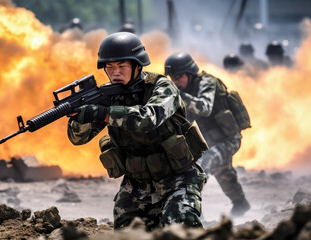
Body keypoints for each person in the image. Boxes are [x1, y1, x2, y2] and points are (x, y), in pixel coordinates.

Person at [67, 32, 207, 230]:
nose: (115, 72)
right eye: (109, 67)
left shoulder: (162, 87)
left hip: (177, 177)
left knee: (179, 226)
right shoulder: (108, 95)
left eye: (121, 66)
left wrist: (102, 112)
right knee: (127, 233)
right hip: (137, 184)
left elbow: (148, 118)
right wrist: (81, 116)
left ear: (137, 66)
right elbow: (78, 138)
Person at [164, 52, 251, 217]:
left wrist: (179, 96)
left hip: (229, 139)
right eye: (172, 78)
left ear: (190, 73)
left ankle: (192, 214)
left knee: (200, 169)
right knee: (223, 172)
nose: (175, 82)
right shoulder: (184, 92)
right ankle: (241, 204)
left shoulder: (207, 82)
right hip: (210, 141)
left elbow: (204, 107)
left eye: (178, 77)